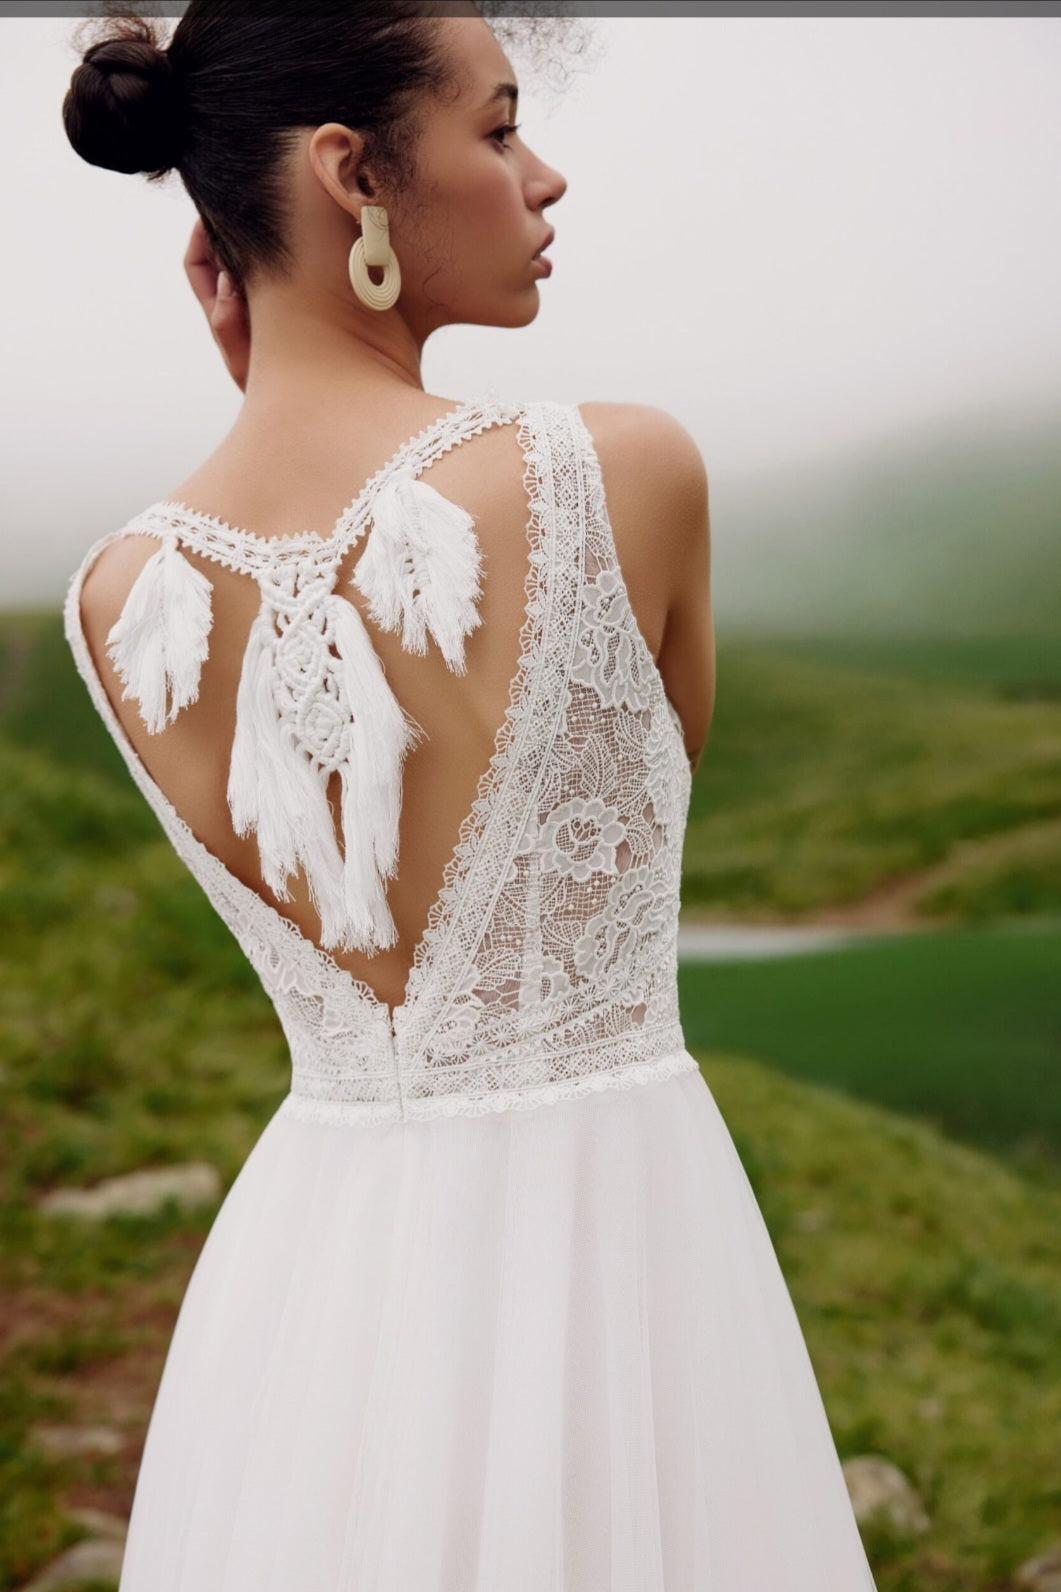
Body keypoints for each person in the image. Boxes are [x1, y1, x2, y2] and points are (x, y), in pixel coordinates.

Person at [59, 5, 878, 1587]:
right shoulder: (618, 474)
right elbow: (637, 820)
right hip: (618, 1252)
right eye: (497, 128)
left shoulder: (116, 594)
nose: (542, 177)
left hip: (310, 1302)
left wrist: (276, 388)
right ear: (351, 172)